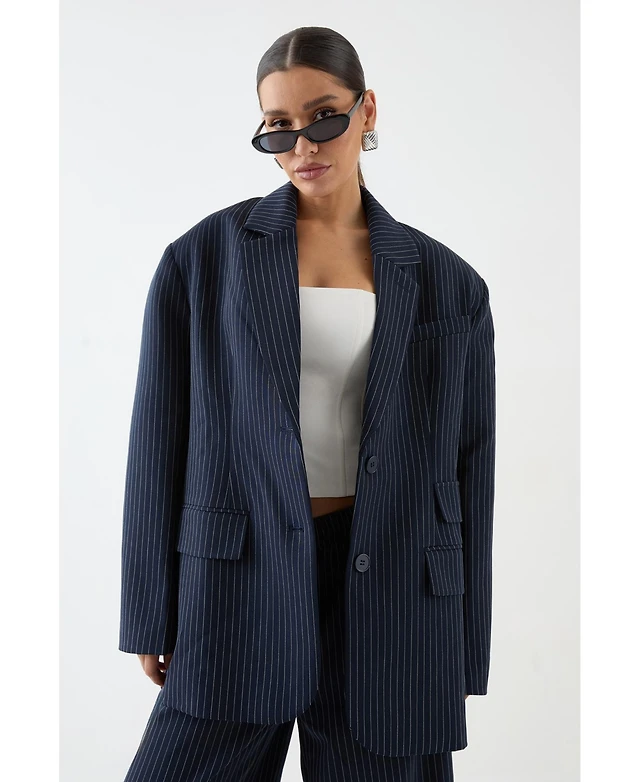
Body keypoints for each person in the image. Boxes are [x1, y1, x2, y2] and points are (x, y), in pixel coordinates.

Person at [119, 25, 496, 782]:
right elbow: (159, 439)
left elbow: (470, 469)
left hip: (396, 584)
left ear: (367, 110)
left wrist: (464, 642)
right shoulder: (203, 261)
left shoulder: (448, 282)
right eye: (278, 127)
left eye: (324, 117)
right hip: (237, 577)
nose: (303, 145)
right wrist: (149, 609)